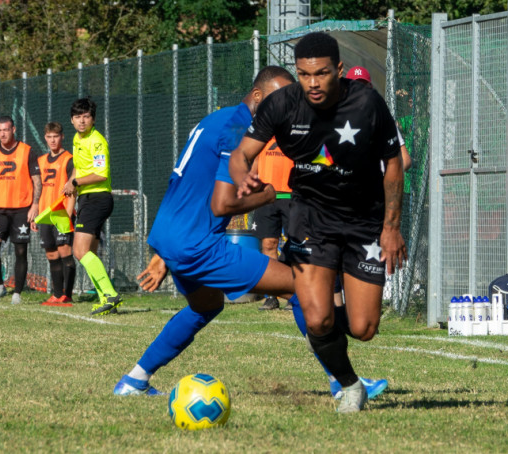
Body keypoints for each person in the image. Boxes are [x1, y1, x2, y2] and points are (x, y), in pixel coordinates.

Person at [113, 66, 388, 407]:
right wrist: (270, 194)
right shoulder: (237, 128)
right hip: (198, 244)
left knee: (205, 306)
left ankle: (134, 380)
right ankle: (343, 382)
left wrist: (164, 252)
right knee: (300, 288)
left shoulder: (217, 119)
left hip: (172, 235)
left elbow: (187, 186)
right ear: (258, 95)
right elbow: (222, 204)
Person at [231, 33, 407, 413]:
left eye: (322, 73)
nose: (312, 83)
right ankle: (350, 385)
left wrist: (391, 226)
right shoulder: (282, 104)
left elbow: (394, 165)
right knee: (317, 317)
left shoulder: (368, 102)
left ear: (339, 70)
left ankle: (333, 336)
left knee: (363, 328)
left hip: (364, 220)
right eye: (304, 74)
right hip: (310, 215)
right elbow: (241, 154)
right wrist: (242, 174)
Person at [62, 98, 120, 316]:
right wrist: (71, 184)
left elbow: (100, 174)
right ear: (72, 120)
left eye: (86, 116)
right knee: (90, 252)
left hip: (97, 199)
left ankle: (110, 293)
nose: (82, 121)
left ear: (93, 119)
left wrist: (75, 183)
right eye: (78, 117)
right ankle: (106, 299)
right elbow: (78, 167)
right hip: (87, 198)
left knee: (79, 250)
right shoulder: (77, 139)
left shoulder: (96, 141)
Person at [0, 116, 42, 305]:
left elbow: (37, 180)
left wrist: (35, 205)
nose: (2, 134)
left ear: (13, 129)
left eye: (6, 130)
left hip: (22, 209)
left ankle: (17, 294)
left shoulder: (27, 151)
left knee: (21, 251)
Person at [32, 122, 76, 307]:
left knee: (65, 252)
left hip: (61, 213)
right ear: (45, 138)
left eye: (55, 136)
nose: (52, 140)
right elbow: (37, 187)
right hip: (45, 213)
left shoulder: (69, 159)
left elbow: (74, 189)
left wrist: (67, 214)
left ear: (62, 137)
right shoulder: (41, 161)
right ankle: (56, 294)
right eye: (49, 137)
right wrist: (35, 211)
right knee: (51, 254)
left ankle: (67, 294)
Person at [251, 137, 293, 311]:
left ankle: (295, 294)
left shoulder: (296, 131)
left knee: (296, 244)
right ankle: (271, 296)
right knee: (268, 244)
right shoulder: (263, 135)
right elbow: (255, 162)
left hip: (292, 196)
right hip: (267, 197)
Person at [345, 65, 412, 171]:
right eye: (354, 87)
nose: (359, 93)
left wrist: (386, 177)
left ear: (370, 88)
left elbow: (405, 160)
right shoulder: (338, 119)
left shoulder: (382, 120)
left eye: (363, 87)